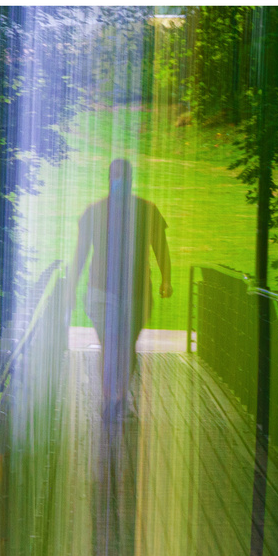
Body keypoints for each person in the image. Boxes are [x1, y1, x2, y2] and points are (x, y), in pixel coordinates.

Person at [73, 158, 172, 421]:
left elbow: (160, 247)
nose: (119, 183)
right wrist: (72, 284)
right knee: (111, 342)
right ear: (109, 179)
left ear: (130, 181)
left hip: (136, 293)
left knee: (126, 345)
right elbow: (81, 252)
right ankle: (111, 397)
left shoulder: (147, 211)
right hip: (101, 292)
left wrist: (166, 279)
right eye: (116, 178)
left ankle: (119, 395)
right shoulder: (94, 212)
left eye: (123, 178)